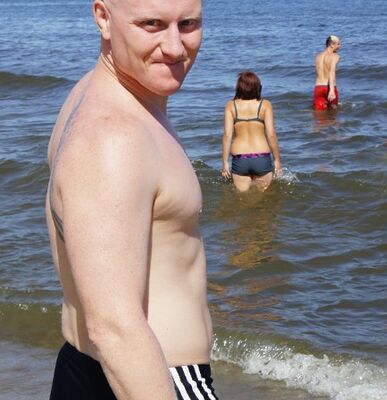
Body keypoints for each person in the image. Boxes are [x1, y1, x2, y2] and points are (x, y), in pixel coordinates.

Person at [46, 0, 218, 399]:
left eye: (188, 24)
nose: (174, 47)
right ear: (103, 18)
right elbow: (114, 329)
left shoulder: (92, 93)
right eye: (151, 24)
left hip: (88, 370)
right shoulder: (113, 137)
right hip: (152, 377)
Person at [222, 71, 282, 192]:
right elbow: (271, 134)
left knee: (242, 199)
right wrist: (277, 160)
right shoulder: (265, 105)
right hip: (261, 157)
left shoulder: (231, 105)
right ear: (257, 87)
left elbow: (227, 136)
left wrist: (225, 162)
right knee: (263, 199)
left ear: (239, 87)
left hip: (240, 159)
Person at [314, 35, 341, 111]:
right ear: (332, 45)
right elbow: (331, 72)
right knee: (333, 112)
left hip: (318, 87)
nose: (340, 46)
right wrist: (331, 90)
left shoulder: (318, 56)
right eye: (338, 44)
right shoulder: (334, 56)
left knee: (319, 114)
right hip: (328, 87)